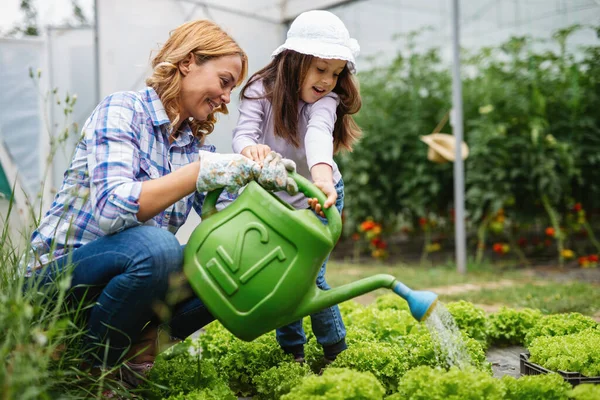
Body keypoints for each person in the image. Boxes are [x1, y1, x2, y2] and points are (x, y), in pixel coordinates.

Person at [25, 19, 296, 387]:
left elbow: (236, 228)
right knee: (157, 247)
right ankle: (91, 371)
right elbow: (111, 210)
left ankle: (138, 353)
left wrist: (267, 184)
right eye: (224, 81)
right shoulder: (122, 110)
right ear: (189, 62)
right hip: (54, 287)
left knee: (230, 259)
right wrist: (202, 171)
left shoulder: (192, 148)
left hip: (118, 294)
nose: (226, 98)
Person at [231, 10, 362, 365]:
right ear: (294, 61)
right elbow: (243, 133)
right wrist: (249, 149)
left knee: (307, 279)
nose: (328, 81)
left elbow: (318, 136)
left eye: (335, 73)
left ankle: (335, 352)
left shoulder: (327, 101)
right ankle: (293, 356)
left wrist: (320, 179)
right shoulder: (261, 89)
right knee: (283, 278)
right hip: (275, 201)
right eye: (320, 69)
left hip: (319, 195)